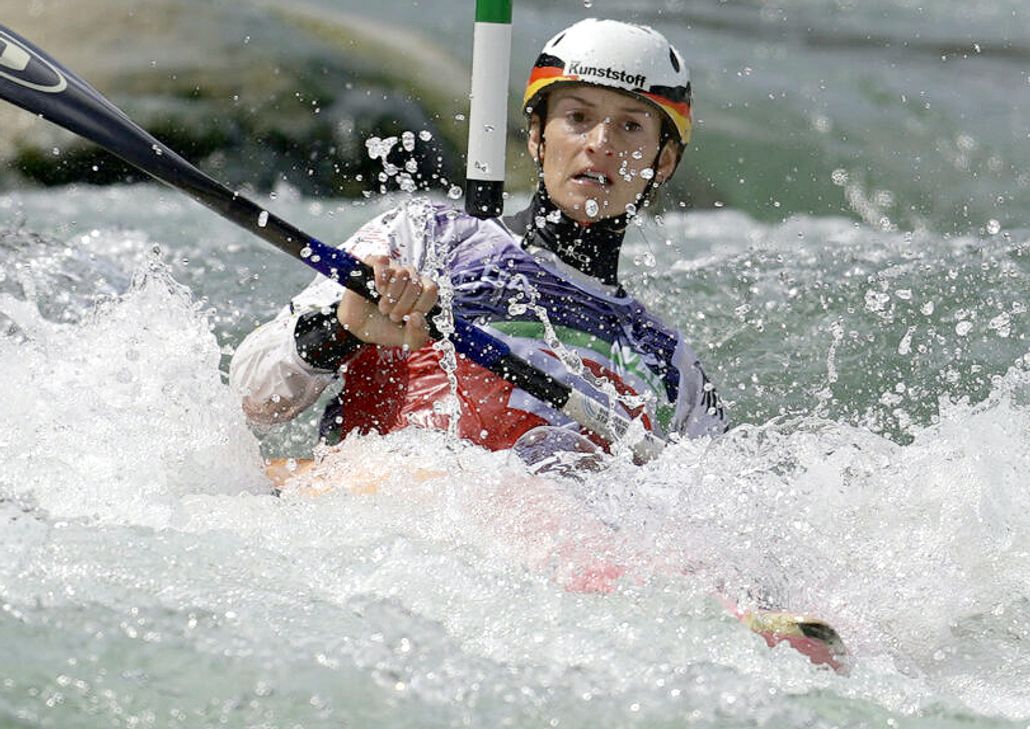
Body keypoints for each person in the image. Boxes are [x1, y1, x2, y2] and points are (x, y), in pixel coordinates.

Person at [229, 18, 727, 463]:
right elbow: (252, 400)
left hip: (545, 531)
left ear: (663, 161)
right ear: (536, 136)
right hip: (383, 508)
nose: (600, 143)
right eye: (578, 118)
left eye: (630, 126)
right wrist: (342, 332)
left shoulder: (667, 360)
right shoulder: (425, 238)